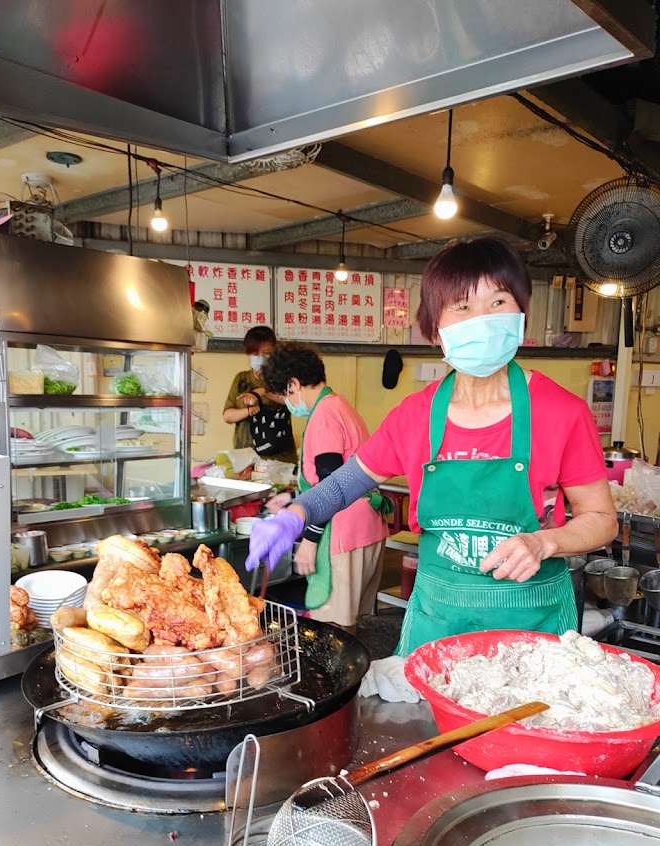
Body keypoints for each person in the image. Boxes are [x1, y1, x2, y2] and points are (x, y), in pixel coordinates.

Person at [247, 236, 617, 656]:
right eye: (461, 306)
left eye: (498, 302)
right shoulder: (413, 416)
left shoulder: (562, 411)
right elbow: (342, 485)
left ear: (521, 314)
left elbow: (603, 519)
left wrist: (545, 543)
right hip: (439, 622)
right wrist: (296, 515)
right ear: (436, 331)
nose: (482, 319)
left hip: (532, 627)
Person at [260, 342, 389, 632]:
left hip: (342, 532)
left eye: (284, 395)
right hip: (366, 525)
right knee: (347, 623)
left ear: (293, 384)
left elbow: (332, 486)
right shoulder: (340, 405)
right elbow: (336, 473)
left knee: (333, 628)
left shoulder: (324, 416)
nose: (287, 403)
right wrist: (293, 497)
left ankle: (350, 678)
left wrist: (309, 541)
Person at [222, 325, 297, 464]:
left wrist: (263, 392)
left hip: (279, 460)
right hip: (245, 457)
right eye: (255, 354)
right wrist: (249, 411)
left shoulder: (283, 377)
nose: (261, 358)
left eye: (266, 353)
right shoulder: (242, 379)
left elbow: (293, 402)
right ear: (248, 353)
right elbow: (227, 416)